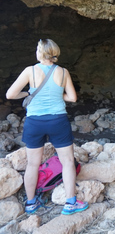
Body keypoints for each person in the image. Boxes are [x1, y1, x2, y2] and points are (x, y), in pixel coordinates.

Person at [6, 39, 88, 215]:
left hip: (34, 122)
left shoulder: (30, 71)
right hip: (57, 121)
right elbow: (72, 98)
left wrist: (29, 92)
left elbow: (10, 94)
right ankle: (70, 203)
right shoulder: (63, 72)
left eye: (37, 48)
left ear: (41, 52)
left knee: (32, 164)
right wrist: (58, 94)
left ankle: (31, 203)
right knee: (67, 162)